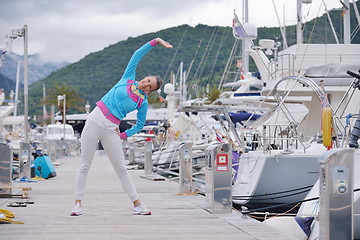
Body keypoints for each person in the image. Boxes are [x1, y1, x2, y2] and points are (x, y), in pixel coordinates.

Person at [70, 37, 173, 216]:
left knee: (121, 168)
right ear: (145, 77)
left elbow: (140, 124)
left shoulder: (143, 102)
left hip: (111, 129)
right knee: (85, 165)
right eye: (147, 80)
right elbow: (137, 55)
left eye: (150, 85)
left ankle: (137, 205)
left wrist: (123, 136)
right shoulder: (127, 79)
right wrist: (155, 42)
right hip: (94, 121)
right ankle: (77, 204)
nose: (146, 83)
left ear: (151, 91)